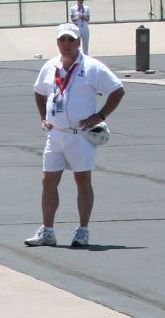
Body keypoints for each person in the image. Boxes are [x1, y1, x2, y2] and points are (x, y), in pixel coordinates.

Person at [26, 23, 125, 249]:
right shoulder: (50, 66)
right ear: (57, 42)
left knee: (82, 180)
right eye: (63, 40)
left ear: (79, 42)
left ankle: (82, 230)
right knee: (48, 181)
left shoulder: (92, 67)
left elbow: (117, 90)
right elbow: (39, 91)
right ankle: (47, 230)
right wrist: (43, 116)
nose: (67, 44)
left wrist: (99, 115)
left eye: (71, 40)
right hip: (56, 133)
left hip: (79, 134)